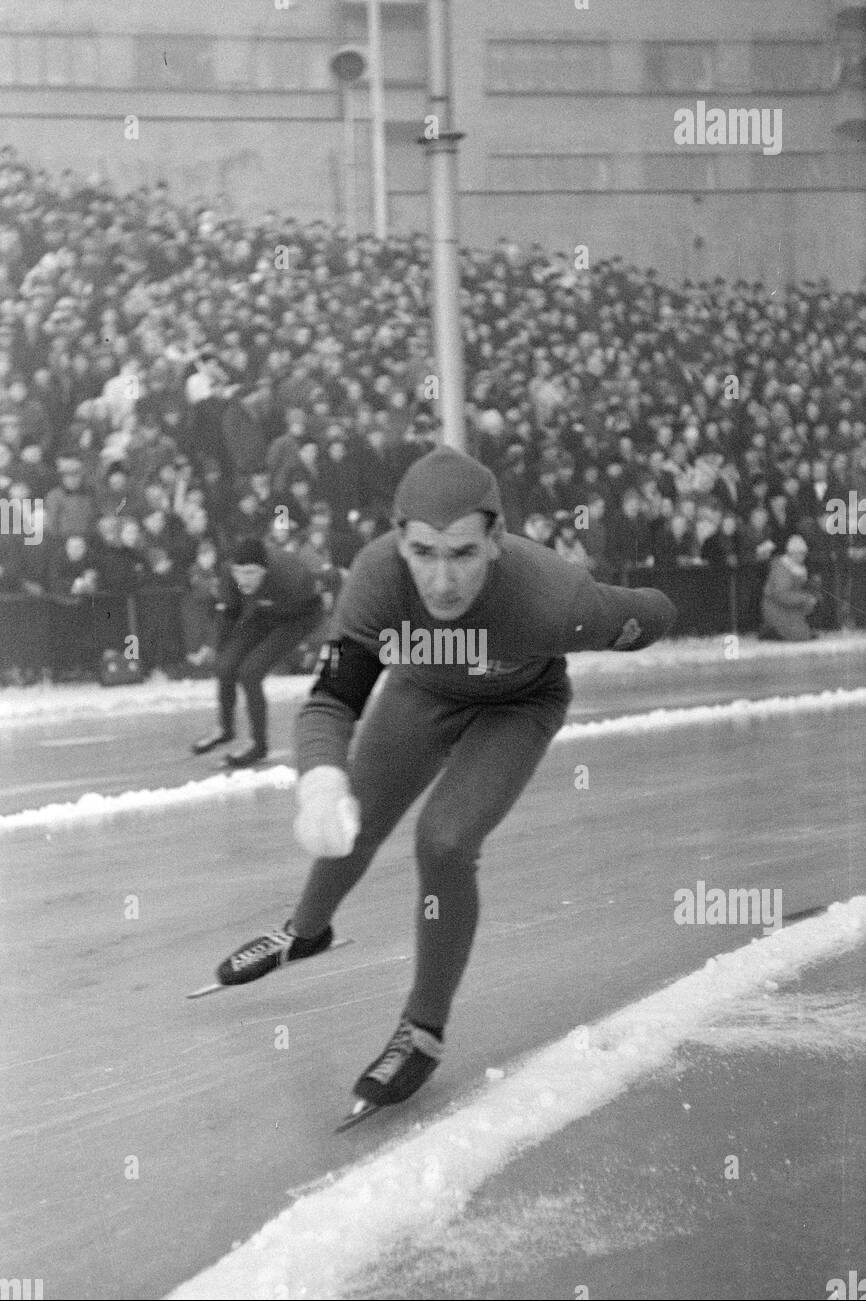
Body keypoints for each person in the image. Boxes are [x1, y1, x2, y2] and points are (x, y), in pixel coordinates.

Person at [213, 447, 676, 1114]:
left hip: (517, 705)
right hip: (422, 687)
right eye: (424, 552)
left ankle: (423, 1030)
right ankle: (305, 930)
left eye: (461, 553)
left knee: (445, 841)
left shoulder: (553, 599)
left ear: (496, 540)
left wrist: (656, 616)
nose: (441, 579)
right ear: (399, 540)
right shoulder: (376, 576)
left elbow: (645, 610)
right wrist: (318, 778)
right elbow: (332, 699)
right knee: (356, 814)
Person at [192, 535, 323, 767]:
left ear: (264, 570)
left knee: (251, 672)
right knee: (225, 666)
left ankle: (258, 745)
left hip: (295, 618)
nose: (244, 579)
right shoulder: (229, 574)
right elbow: (229, 614)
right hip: (261, 615)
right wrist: (220, 650)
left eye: (251, 572)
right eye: (240, 572)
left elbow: (318, 608)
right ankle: (225, 729)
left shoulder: (291, 575)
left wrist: (312, 646)